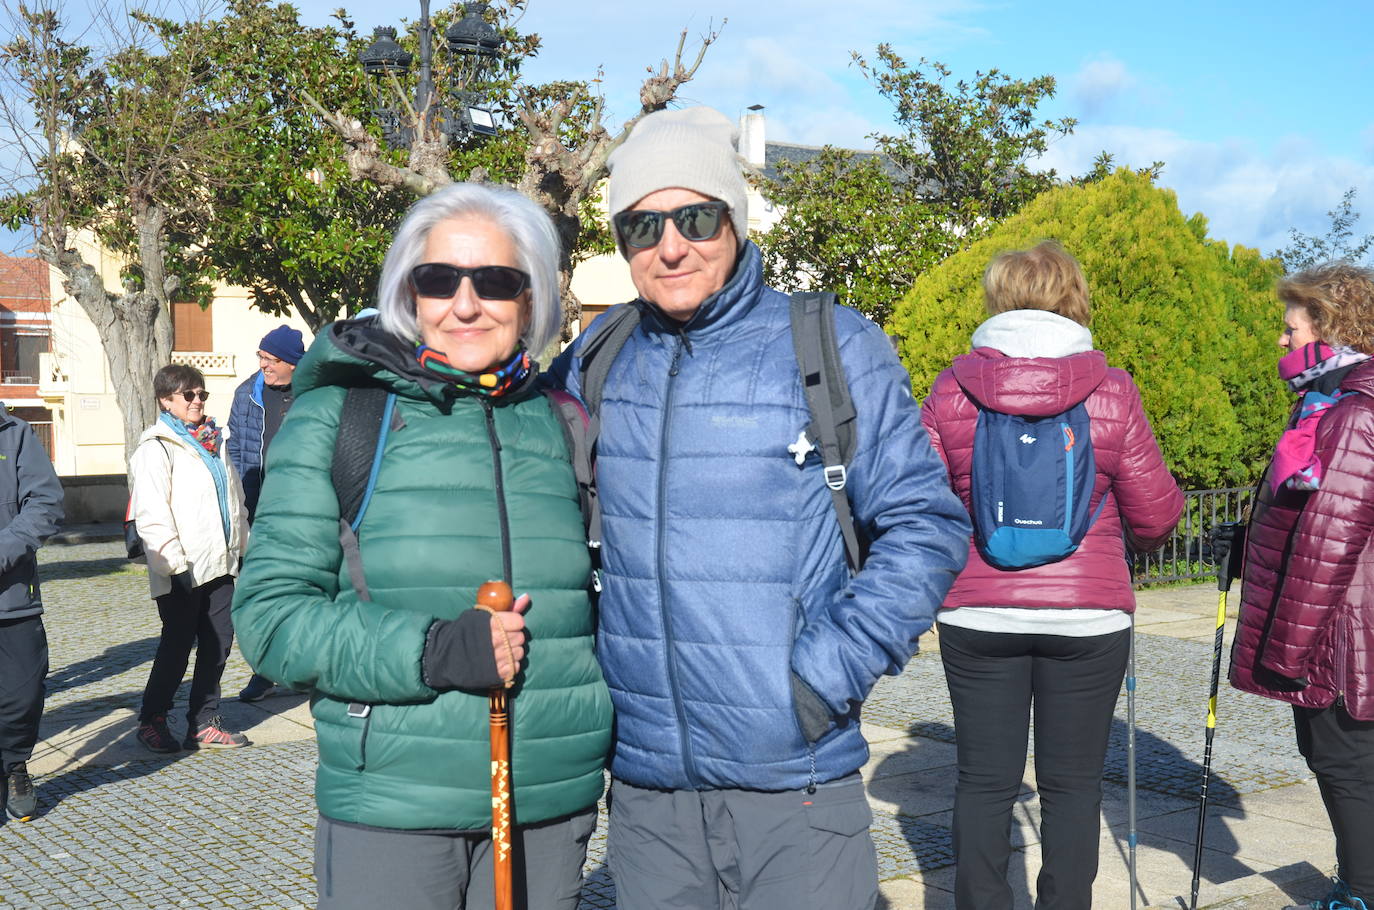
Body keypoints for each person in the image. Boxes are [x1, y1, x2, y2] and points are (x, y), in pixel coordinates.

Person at [546, 105, 970, 910]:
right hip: (648, 794)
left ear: (734, 221)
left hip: (794, 784)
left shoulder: (832, 345)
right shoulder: (597, 362)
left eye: (695, 218)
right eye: (642, 226)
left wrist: (820, 680)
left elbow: (925, 526)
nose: (670, 246)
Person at [231, 182, 612, 910]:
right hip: (392, 809)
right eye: (439, 280)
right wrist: (436, 650)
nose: (464, 304)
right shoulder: (339, 417)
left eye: (496, 282)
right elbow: (272, 622)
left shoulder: (563, 423)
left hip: (548, 803)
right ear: (409, 292)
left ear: (531, 300)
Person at [920, 240, 1183, 909]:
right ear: (1074, 298)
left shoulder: (952, 389)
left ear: (998, 297)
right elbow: (1156, 516)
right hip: (1087, 617)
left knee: (984, 783)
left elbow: (918, 504)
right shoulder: (1114, 391)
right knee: (1072, 787)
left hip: (976, 613)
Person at [1229, 262, 1374, 910]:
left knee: (1344, 766)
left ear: (1329, 327)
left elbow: (1327, 545)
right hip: (1343, 622)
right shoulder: (1332, 402)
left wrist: (1285, 654)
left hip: (1339, 636)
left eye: (1291, 329)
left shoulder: (1352, 413)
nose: (1282, 343)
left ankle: (1360, 895)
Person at [130, 364, 251, 753]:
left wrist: (243, 548)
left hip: (220, 561)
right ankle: (152, 720)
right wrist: (173, 566)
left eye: (202, 394)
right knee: (177, 646)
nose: (197, 401)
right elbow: (152, 514)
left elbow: (235, 502)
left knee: (218, 644)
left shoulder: (215, 442)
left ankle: (204, 722)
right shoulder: (156, 448)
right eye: (188, 395)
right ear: (166, 400)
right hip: (182, 566)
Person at [227, 323, 305, 703]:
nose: (263, 366)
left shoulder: (315, 392)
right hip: (260, 514)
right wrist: (243, 506)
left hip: (309, 514)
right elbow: (238, 451)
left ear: (292, 363)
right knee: (263, 595)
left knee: (310, 593)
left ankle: (314, 667)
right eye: (260, 358)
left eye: (270, 359)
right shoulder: (247, 394)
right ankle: (266, 670)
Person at [0, 404, 63, 821]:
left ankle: (15, 763)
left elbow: (46, 502)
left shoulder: (15, 432)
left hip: (13, 595)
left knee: (23, 695)